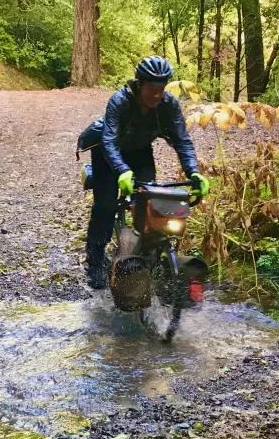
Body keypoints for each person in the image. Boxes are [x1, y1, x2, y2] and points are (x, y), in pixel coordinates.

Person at [77, 56, 210, 289]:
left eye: (161, 88)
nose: (157, 95)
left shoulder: (169, 105)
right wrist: (122, 171)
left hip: (139, 152)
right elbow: (108, 141)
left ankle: (148, 256)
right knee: (106, 205)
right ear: (140, 84)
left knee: (150, 203)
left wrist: (194, 172)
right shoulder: (119, 101)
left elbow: (183, 141)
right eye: (152, 89)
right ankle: (95, 262)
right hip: (108, 153)